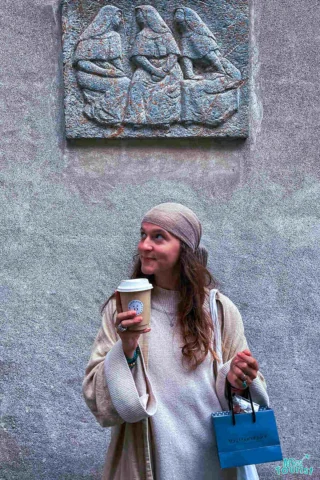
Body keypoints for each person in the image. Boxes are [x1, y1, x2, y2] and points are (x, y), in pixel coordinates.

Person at [83, 203, 269, 480]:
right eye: (143, 235)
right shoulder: (121, 308)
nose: (144, 245)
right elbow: (96, 396)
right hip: (148, 458)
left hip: (211, 460)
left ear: (184, 248)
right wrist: (127, 348)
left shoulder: (219, 310)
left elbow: (247, 389)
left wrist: (238, 376)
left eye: (159, 237)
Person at [124, 6, 183, 128]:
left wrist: (164, 70)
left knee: (168, 88)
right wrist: (154, 70)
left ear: (148, 16)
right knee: (136, 84)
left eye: (141, 15)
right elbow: (138, 57)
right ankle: (138, 118)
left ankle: (165, 119)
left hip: (169, 68)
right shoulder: (141, 35)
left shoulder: (166, 34)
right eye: (137, 16)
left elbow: (174, 54)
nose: (139, 18)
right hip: (147, 68)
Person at [73, 5, 130, 126]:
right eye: (118, 16)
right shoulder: (88, 38)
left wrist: (120, 72)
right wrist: (106, 72)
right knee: (123, 84)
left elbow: (116, 61)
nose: (121, 21)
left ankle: (112, 113)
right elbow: (82, 63)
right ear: (108, 17)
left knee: (126, 81)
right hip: (88, 75)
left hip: (106, 72)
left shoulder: (115, 36)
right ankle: (98, 111)